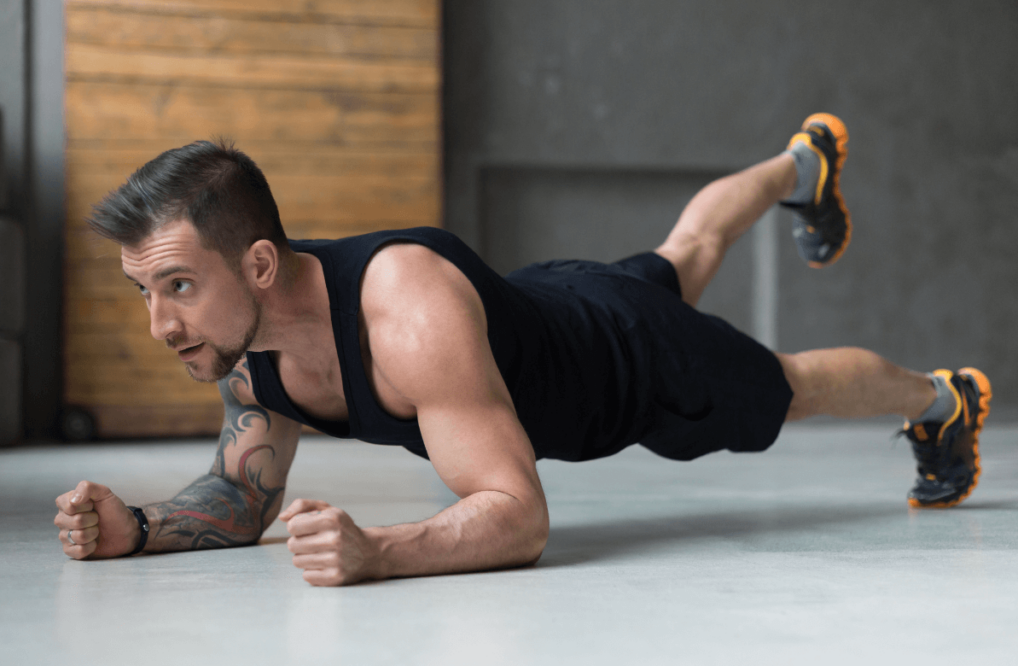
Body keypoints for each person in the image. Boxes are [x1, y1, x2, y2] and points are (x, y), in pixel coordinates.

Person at [53, 114, 992, 586]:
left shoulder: (406, 314)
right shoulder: (251, 346)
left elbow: (517, 514)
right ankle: (804, 166)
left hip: (624, 363)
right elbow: (240, 493)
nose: (161, 325)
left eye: (177, 287)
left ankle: (942, 400)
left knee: (787, 388)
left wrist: (380, 551)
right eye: (145, 292)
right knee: (681, 253)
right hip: (551, 302)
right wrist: (134, 526)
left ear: (258, 263)